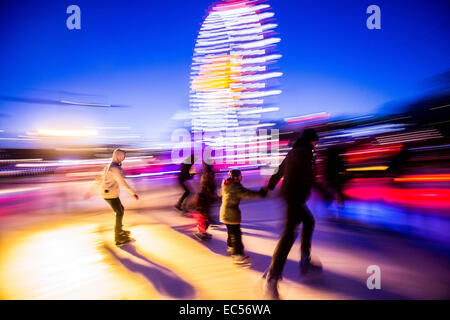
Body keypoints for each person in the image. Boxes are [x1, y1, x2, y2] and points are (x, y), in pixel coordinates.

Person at [263, 129, 322, 299]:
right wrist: (323, 191)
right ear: (309, 141)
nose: (315, 144)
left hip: (292, 196)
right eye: (314, 142)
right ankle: (273, 277)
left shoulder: (295, 152)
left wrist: (270, 186)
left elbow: (279, 171)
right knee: (289, 235)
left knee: (309, 221)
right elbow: (308, 178)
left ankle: (305, 258)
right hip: (294, 197)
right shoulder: (303, 153)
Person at [87, 149, 139, 246]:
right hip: (109, 194)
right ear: (118, 156)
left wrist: (91, 191)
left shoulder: (110, 165)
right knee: (119, 212)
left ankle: (120, 230)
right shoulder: (115, 168)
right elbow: (122, 182)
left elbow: (99, 178)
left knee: (120, 210)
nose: (124, 158)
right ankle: (118, 237)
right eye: (123, 156)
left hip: (108, 193)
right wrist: (133, 193)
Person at [220, 169, 268, 265]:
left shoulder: (227, 183)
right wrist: (260, 194)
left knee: (231, 232)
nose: (241, 178)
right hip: (231, 214)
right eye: (240, 176)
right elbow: (247, 193)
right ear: (236, 177)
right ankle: (238, 255)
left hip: (225, 212)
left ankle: (231, 248)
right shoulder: (235, 186)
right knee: (236, 234)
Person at [192, 162, 217, 241]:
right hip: (204, 199)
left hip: (205, 198)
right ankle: (201, 231)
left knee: (205, 216)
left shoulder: (207, 174)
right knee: (203, 216)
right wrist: (212, 195)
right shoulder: (208, 175)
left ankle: (202, 231)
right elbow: (208, 186)